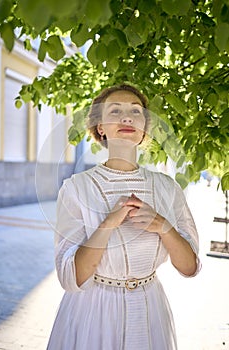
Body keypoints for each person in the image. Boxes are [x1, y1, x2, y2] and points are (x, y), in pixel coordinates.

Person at [47, 84, 200, 350]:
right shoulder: (76, 188)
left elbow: (190, 268)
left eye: (135, 112)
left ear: (144, 129)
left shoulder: (167, 188)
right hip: (93, 312)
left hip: (150, 310)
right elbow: (71, 278)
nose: (127, 118)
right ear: (100, 128)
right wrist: (108, 224)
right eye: (115, 111)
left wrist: (163, 226)